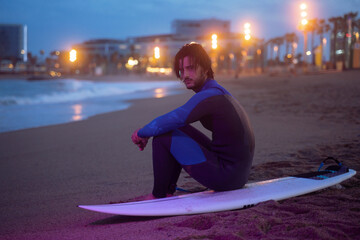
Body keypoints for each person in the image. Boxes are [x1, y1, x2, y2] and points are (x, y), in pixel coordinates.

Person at [131, 42, 255, 199]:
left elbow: (176, 117)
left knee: (162, 136)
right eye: (181, 70)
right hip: (238, 174)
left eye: (190, 68)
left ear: (205, 68)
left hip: (227, 177)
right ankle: (168, 190)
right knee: (177, 129)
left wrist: (141, 133)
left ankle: (159, 194)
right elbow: (178, 123)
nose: (185, 76)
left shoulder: (209, 96)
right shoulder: (218, 92)